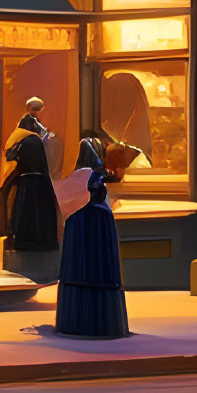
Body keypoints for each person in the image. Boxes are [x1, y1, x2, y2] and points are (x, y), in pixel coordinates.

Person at [54, 134, 131, 338]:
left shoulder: (77, 176)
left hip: (80, 224)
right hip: (98, 223)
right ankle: (102, 321)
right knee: (98, 265)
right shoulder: (97, 175)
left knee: (80, 265)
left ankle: (77, 320)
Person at [0, 98, 60, 264]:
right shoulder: (28, 130)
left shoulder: (28, 130)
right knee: (32, 215)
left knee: (30, 214)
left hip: (31, 181)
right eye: (36, 108)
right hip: (33, 180)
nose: (37, 111)